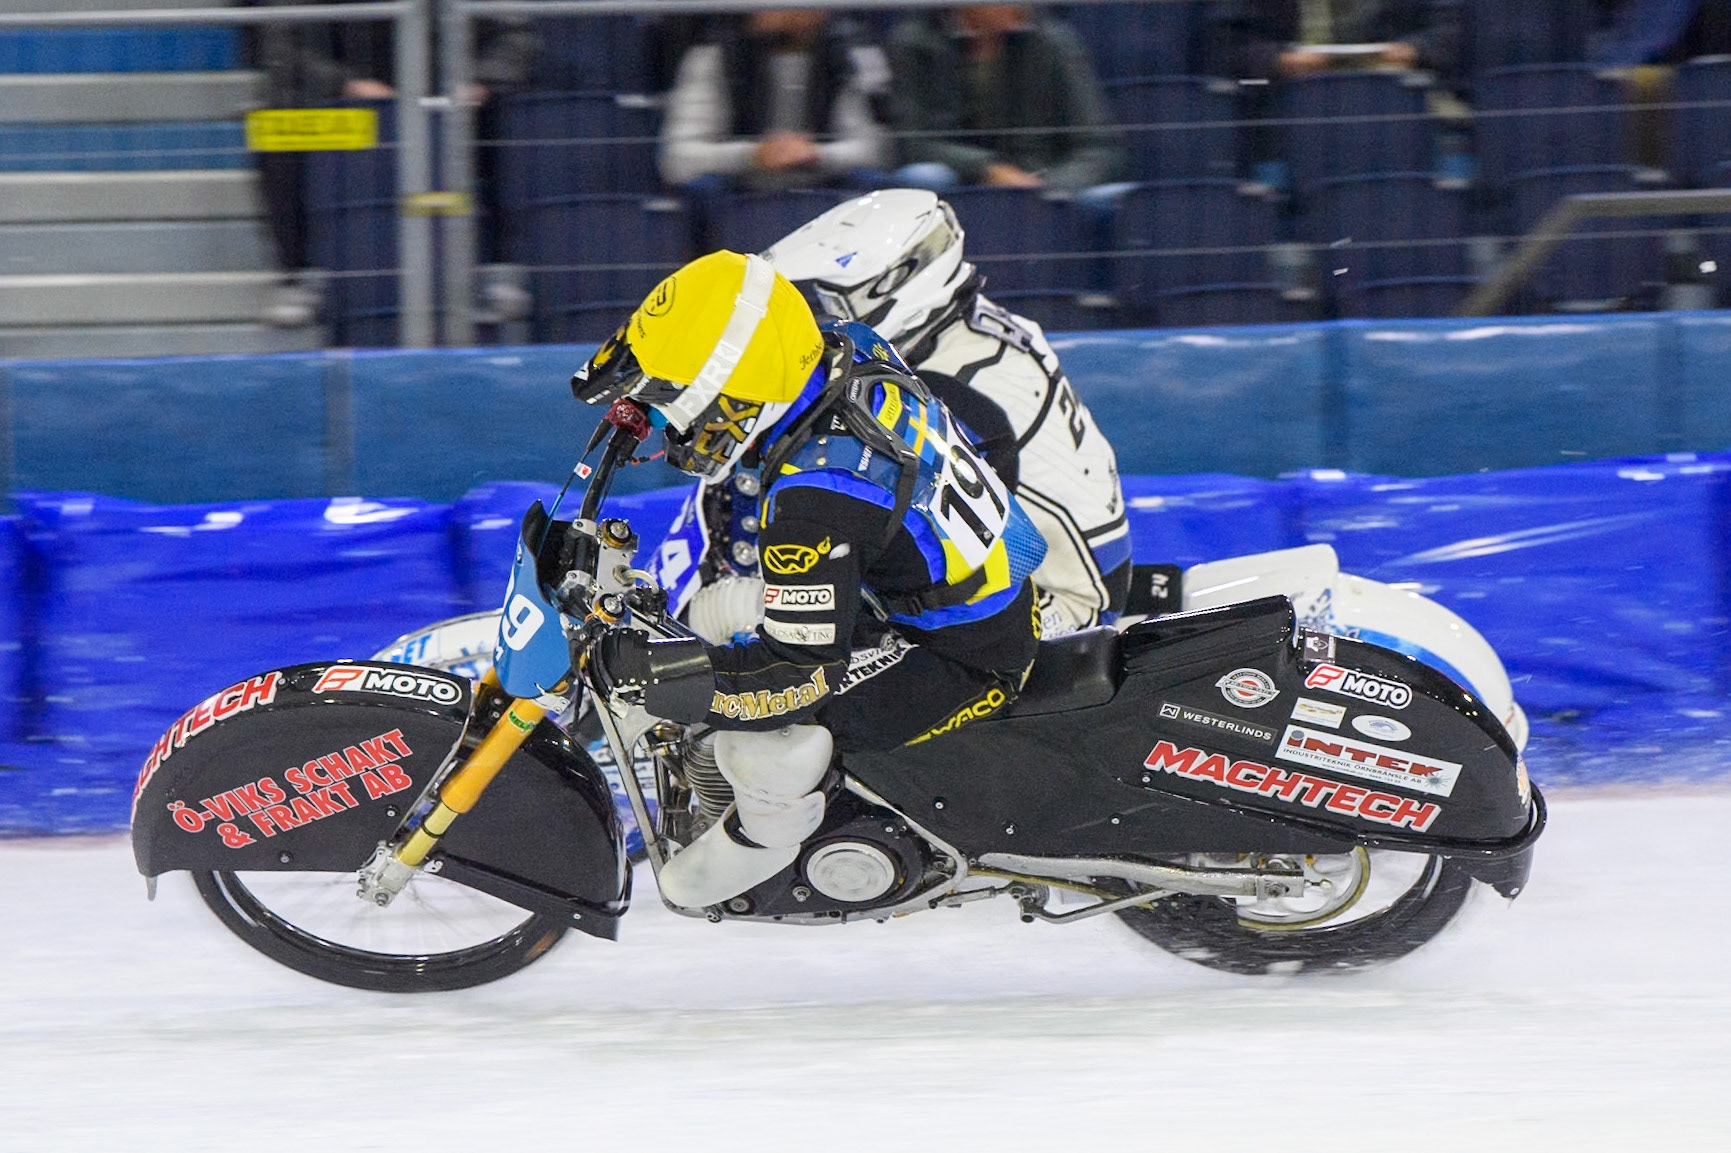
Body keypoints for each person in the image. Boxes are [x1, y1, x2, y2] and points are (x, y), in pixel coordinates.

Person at [571, 251, 1045, 908]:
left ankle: (740, 865)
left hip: (959, 655)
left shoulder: (816, 496)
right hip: (956, 594)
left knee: (761, 744)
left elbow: (796, 677)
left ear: (735, 386)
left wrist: (651, 681)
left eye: (676, 402)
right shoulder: (843, 352)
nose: (671, 424)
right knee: (715, 614)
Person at [758, 189, 1129, 637]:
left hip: (1067, 606)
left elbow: (933, 537)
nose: (832, 320)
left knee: (829, 644)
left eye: (842, 303)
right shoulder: (970, 333)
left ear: (899, 281)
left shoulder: (954, 383)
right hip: (1068, 571)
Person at [885, 4, 1124, 194]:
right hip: (960, 181)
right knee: (924, 177)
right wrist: (987, 170)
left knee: (1102, 198)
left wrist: (1051, 187)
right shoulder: (915, 43)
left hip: (1043, 184)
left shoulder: (1053, 42)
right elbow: (911, 142)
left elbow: (1098, 146)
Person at [658, 8, 890, 191]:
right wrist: (754, 155)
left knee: (871, 182)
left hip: (827, 197)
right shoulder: (716, 55)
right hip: (740, 198)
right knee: (702, 188)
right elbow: (678, 158)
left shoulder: (846, 53)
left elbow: (877, 150)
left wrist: (816, 155)